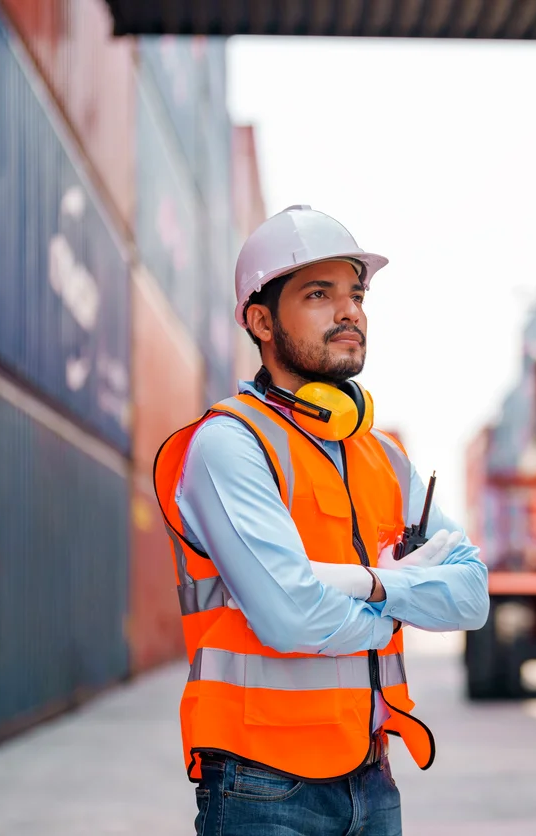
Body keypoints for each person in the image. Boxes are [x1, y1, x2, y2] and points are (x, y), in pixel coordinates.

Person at [152, 205, 490, 836]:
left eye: (356, 294)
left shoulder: (383, 455)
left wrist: (367, 583)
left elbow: (472, 597)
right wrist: (412, 600)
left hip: (372, 774)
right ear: (261, 321)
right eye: (318, 294)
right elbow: (289, 618)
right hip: (262, 787)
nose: (350, 312)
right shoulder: (231, 445)